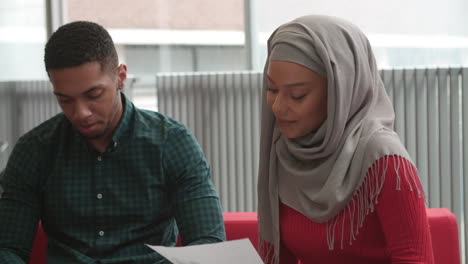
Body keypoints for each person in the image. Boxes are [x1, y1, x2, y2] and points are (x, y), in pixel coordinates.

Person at [0, 21, 225, 263]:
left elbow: (208, 244)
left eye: (93, 95)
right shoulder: (34, 151)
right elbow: (8, 248)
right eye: (65, 100)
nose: (81, 113)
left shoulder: (172, 143)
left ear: (121, 77)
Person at [257, 15, 434, 264]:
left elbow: (415, 259)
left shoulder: (385, 161)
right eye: (272, 90)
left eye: (297, 95)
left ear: (340, 92)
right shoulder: (285, 153)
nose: (277, 106)